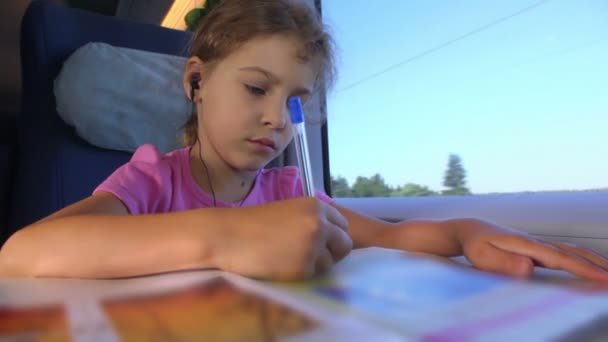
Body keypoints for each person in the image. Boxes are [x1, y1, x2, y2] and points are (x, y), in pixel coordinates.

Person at [1, 0, 607, 282]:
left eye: (294, 104)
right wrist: (225, 237)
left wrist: (468, 232)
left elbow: (394, 236)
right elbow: (23, 253)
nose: (276, 120)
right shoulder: (152, 180)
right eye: (256, 88)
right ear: (197, 82)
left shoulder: (290, 192)